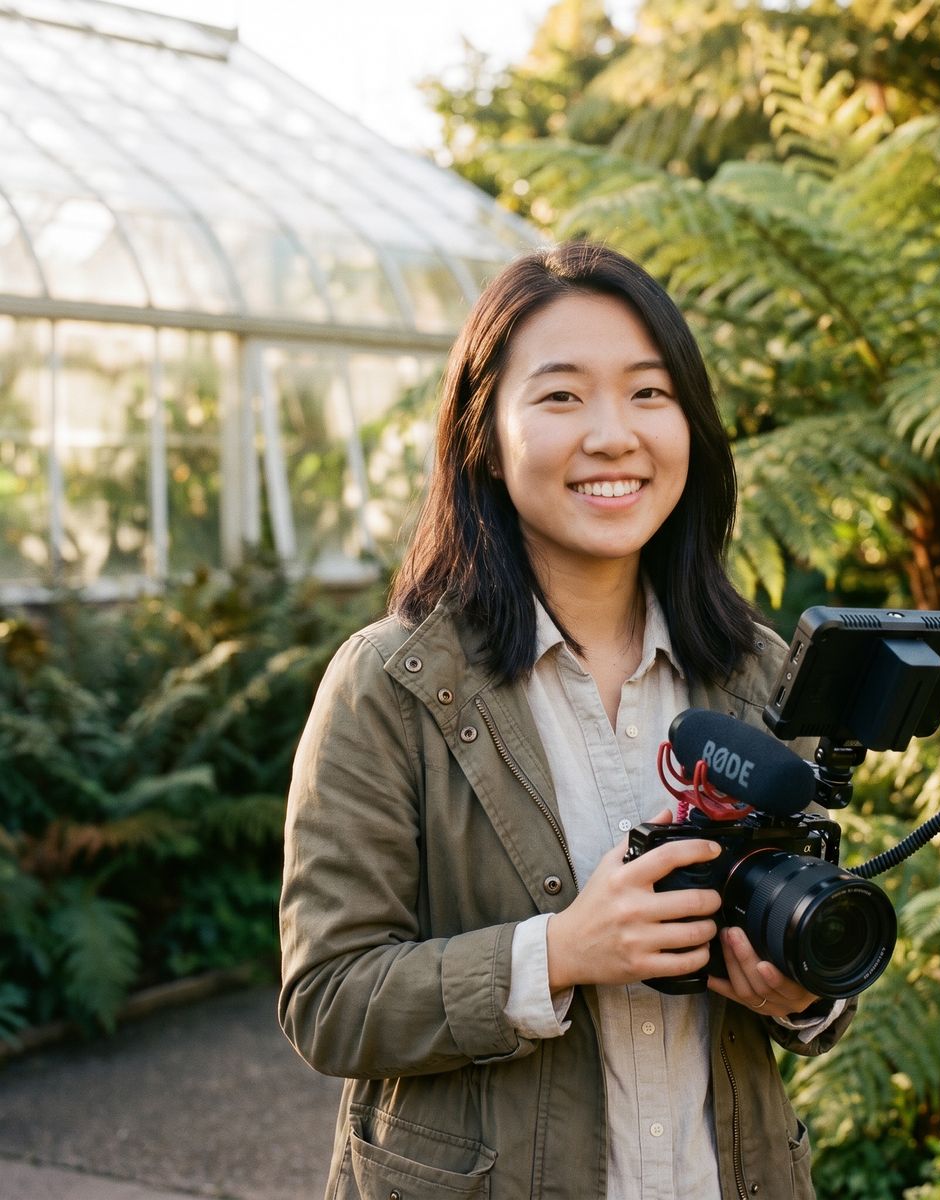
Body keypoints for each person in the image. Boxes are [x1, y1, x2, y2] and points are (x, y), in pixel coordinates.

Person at [278, 241, 855, 1200]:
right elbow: (327, 999)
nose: (613, 434)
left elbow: (813, 960)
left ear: (691, 428)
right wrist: (558, 954)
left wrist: (803, 993)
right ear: (484, 439)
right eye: (559, 397)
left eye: (649, 393)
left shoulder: (756, 674)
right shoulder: (394, 684)